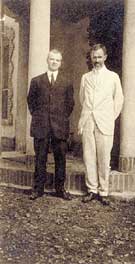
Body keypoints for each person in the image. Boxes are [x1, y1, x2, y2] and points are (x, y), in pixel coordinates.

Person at [78, 44, 123, 205]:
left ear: (105, 57)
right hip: (88, 120)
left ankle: (103, 191)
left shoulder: (113, 77)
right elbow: (82, 99)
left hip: (105, 122)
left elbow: (119, 100)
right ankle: (92, 190)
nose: (96, 60)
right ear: (91, 58)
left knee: (104, 158)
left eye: (99, 57)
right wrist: (89, 114)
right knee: (89, 156)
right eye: (94, 57)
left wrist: (110, 117)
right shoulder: (86, 77)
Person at [27, 49, 74, 200]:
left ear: (60, 63)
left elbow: (70, 105)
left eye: (57, 60)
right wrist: (40, 117)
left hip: (59, 127)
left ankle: (60, 189)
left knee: (60, 159)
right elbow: (31, 102)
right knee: (40, 158)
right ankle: (38, 189)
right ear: (47, 61)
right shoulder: (36, 81)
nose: (54, 62)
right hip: (41, 126)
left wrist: (60, 118)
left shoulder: (66, 82)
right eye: (52, 59)